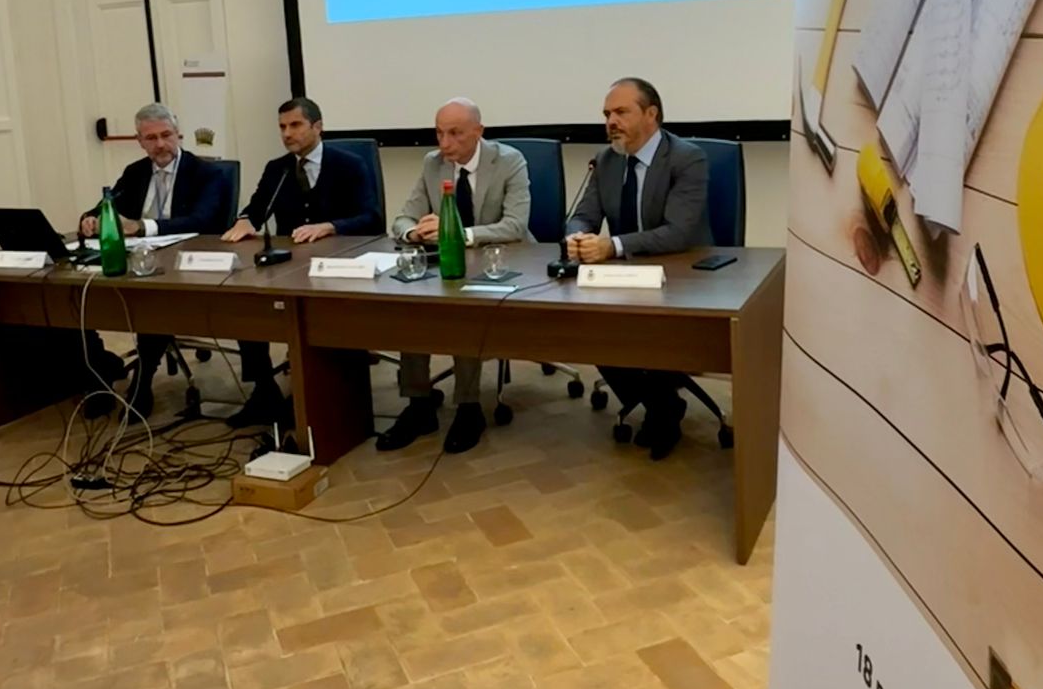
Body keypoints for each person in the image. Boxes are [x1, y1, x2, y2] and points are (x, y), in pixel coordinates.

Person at [565, 77, 709, 460]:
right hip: (625, 271)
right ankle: (660, 402)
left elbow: (678, 232)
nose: (611, 122)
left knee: (649, 327)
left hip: (682, 274)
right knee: (584, 322)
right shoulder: (607, 159)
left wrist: (611, 245)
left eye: (621, 112)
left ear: (651, 114)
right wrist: (577, 236)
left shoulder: (686, 157)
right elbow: (582, 214)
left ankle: (662, 410)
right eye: (606, 114)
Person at [377, 99, 531, 455]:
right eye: (439, 133)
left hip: (495, 261)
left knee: (465, 310)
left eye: (455, 134)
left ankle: (468, 408)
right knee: (410, 303)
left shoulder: (509, 161)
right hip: (443, 261)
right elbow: (402, 219)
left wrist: (459, 233)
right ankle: (418, 405)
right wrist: (415, 232)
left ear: (478, 132)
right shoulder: (433, 163)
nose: (444, 143)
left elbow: (515, 226)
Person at [222, 96, 383, 426]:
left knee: (318, 317)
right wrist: (245, 220)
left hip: (339, 261)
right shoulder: (277, 169)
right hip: (291, 264)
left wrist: (331, 226)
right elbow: (257, 208)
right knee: (246, 304)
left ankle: (315, 394)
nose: (287, 133)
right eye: (282, 127)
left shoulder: (350, 164)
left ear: (317, 126)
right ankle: (263, 390)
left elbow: (372, 217)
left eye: (295, 125)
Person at [78, 102, 232, 416]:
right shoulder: (135, 172)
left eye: (166, 135)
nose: (160, 144)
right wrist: (91, 219)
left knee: (153, 299)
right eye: (151, 138)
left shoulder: (206, 173)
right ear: (140, 141)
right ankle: (95, 376)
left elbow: (202, 221)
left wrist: (142, 226)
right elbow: (107, 204)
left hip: (187, 260)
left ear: (179, 135)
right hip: (138, 259)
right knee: (76, 296)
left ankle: (143, 379)